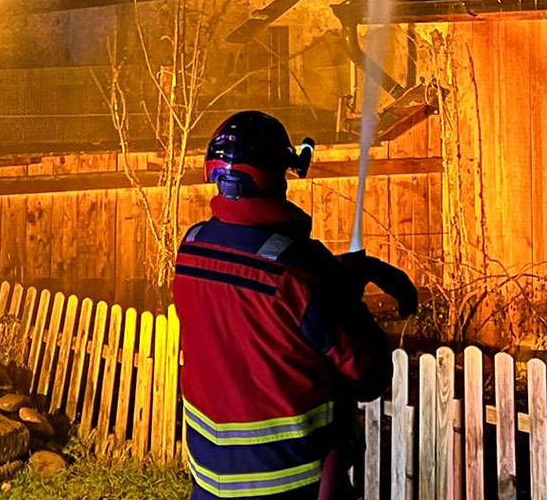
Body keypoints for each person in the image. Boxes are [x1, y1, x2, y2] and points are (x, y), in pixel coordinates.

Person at [172, 111, 418, 500]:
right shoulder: (302, 271)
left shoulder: (191, 250)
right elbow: (370, 376)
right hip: (290, 483)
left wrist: (340, 274)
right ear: (278, 174)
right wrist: (343, 296)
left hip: (209, 480)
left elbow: (247, 297)